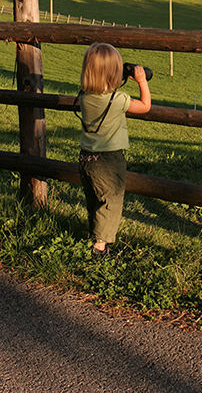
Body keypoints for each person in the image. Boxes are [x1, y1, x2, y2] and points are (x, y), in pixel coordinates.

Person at [77, 42, 151, 259]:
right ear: (113, 74)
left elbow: (103, 91)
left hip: (86, 158)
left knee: (95, 200)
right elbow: (145, 106)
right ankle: (100, 249)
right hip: (109, 160)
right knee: (111, 203)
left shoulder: (84, 96)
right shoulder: (118, 100)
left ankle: (95, 237)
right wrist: (142, 81)